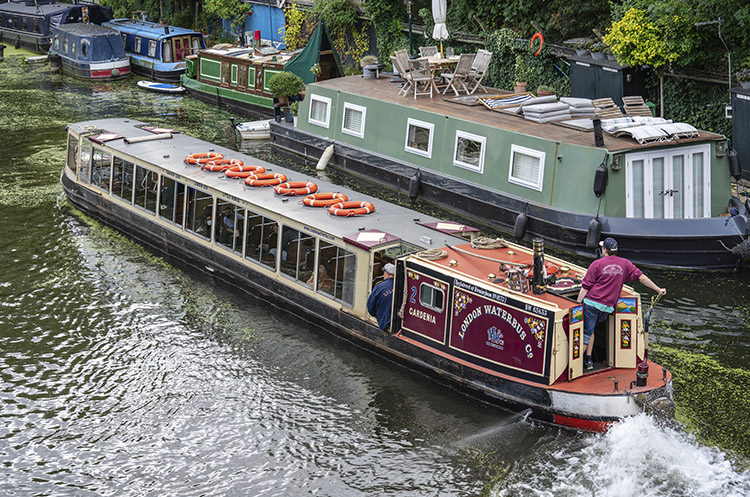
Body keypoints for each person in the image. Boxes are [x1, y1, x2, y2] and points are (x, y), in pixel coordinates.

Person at [576, 237, 666, 371]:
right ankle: (588, 360)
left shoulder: (596, 264)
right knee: (592, 329)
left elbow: (586, 287)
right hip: (606, 308)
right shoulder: (625, 264)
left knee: (586, 334)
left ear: (604, 250)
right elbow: (641, 277)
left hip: (591, 304)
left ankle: (574, 366)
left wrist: (576, 304)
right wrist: (658, 289)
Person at [367, 263, 395, 331]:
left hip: (384, 324)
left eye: (384, 273)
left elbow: (370, 306)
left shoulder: (379, 286)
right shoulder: (402, 286)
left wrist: (378, 317)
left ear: (387, 274)